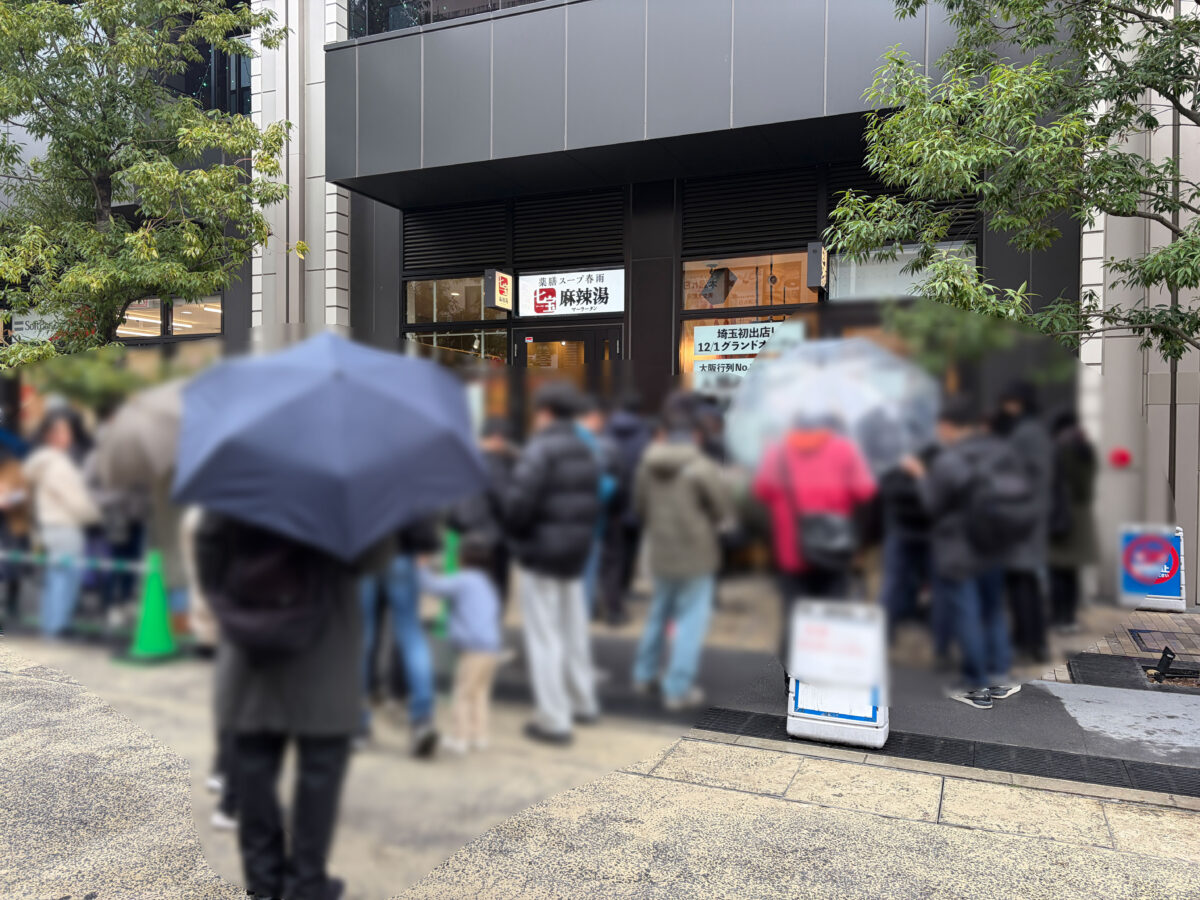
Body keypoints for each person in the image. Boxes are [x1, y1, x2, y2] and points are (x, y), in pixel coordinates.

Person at [196, 512, 387, 900]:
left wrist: (232, 597)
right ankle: (306, 884)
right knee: (320, 774)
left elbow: (208, 541)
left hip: (252, 643)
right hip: (326, 643)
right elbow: (373, 557)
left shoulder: (243, 469)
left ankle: (264, 886)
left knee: (254, 772)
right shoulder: (346, 478)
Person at [906, 396, 1021, 710]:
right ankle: (999, 678)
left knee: (967, 613)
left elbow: (932, 505)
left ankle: (975, 686)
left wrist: (919, 475)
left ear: (946, 426)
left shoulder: (948, 461)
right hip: (993, 545)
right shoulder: (997, 453)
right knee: (993, 610)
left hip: (959, 549)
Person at [504, 381, 601, 744]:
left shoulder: (539, 450)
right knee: (574, 631)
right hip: (575, 552)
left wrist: (517, 537)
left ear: (544, 412)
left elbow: (518, 506)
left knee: (545, 637)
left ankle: (554, 719)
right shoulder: (583, 449)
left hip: (541, 554)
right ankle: (583, 701)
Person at [753, 414, 876, 669]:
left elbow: (762, 491)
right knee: (831, 613)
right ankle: (826, 674)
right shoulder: (846, 450)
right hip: (835, 549)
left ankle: (793, 678)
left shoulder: (777, 452)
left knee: (794, 614)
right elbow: (865, 492)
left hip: (791, 550)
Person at [631, 414, 735, 710]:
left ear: (664, 435)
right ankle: (677, 688)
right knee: (690, 621)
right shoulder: (702, 467)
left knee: (658, 613)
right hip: (696, 556)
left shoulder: (646, 467)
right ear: (696, 438)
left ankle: (643, 675)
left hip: (661, 553)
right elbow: (721, 508)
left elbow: (639, 508)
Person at [359, 518, 441, 757]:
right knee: (412, 635)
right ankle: (422, 721)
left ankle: (356, 724)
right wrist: (425, 546)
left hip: (364, 555)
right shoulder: (405, 479)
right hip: (402, 554)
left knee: (362, 638)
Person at [23, 412, 100, 638]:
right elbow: (76, 500)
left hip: (50, 526)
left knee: (55, 577)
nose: (70, 436)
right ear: (53, 435)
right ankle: (58, 626)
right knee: (66, 579)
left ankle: (51, 624)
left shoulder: (41, 463)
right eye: (65, 431)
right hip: (65, 526)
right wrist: (95, 517)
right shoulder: (57, 464)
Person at [416, 552, 502, 753]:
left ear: (463, 559)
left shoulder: (464, 580)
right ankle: (479, 736)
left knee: (462, 693)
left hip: (473, 648)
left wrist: (421, 567)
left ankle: (460, 737)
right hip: (492, 648)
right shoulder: (487, 583)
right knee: (480, 693)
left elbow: (434, 587)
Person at [994, 382, 1053, 664]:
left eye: (1010, 402)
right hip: (1031, 518)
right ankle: (1032, 641)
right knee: (1026, 583)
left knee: (1021, 584)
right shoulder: (1033, 432)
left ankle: (1027, 641)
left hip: (1022, 520)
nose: (1006, 408)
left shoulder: (1026, 434)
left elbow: (1016, 476)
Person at [878, 442, 947, 660]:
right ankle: (940, 645)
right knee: (939, 589)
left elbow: (885, 494)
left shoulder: (899, 472)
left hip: (901, 534)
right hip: (930, 537)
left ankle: (884, 636)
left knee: (893, 585)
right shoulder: (941, 473)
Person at [449, 417, 516, 609]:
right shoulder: (494, 464)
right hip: (493, 539)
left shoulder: (464, 460)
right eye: (506, 438)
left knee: (468, 590)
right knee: (493, 591)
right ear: (497, 438)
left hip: (465, 537)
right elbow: (506, 501)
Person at [602, 394, 653, 626]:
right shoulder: (644, 435)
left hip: (611, 498)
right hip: (635, 498)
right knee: (630, 546)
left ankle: (611, 592)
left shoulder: (606, 431)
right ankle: (624, 586)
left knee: (610, 551)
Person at [1048, 411, 1097, 632]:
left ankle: (1060, 618)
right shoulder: (1085, 449)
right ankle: (1070, 619)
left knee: (1057, 570)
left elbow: (1056, 483)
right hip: (1081, 517)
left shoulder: (1062, 448)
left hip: (1062, 515)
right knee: (1072, 572)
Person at [575, 396, 619, 618]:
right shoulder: (591, 444)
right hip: (589, 520)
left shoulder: (566, 438)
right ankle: (585, 611)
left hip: (566, 521)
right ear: (592, 417)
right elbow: (600, 486)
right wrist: (612, 485)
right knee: (587, 570)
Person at [0, 447, 30, 628]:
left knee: (12, 568)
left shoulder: (14, 468)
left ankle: (12, 603)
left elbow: (24, 494)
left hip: (12, 524)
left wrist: (9, 499)